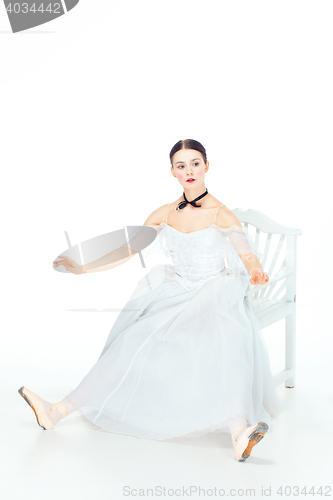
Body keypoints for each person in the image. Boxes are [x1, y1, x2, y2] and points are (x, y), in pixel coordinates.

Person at [18, 138, 281, 462]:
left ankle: (239, 432)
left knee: (230, 338)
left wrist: (255, 271)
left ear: (206, 166)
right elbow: (128, 249)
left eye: (195, 163)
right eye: (181, 165)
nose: (189, 170)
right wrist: (85, 267)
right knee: (130, 341)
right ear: (172, 171)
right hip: (176, 292)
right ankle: (57, 410)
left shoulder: (221, 213)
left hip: (213, 293)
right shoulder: (165, 213)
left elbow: (245, 253)